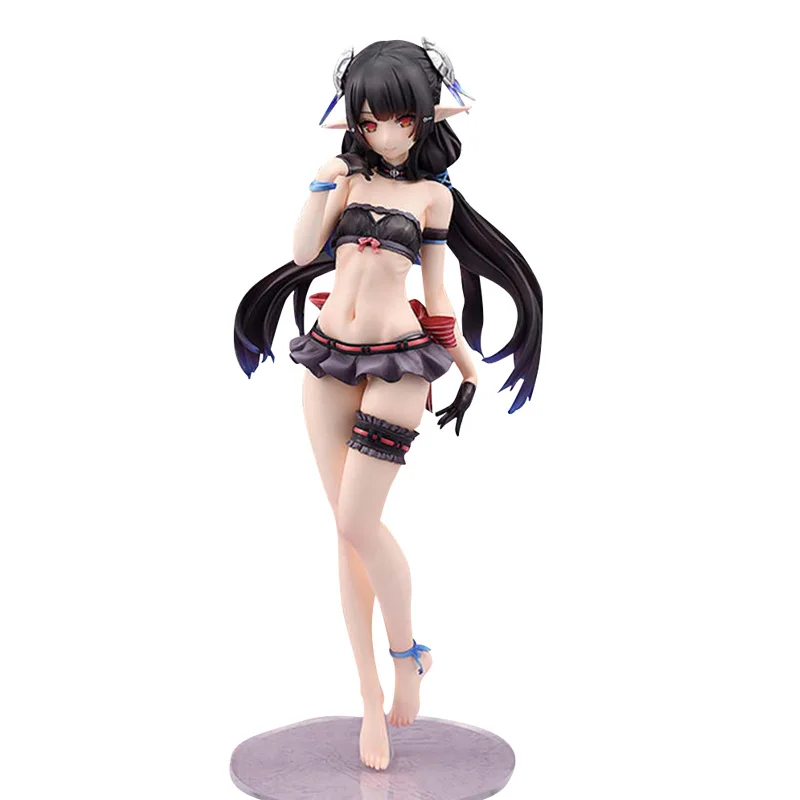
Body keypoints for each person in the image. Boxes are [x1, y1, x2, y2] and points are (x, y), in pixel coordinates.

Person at [234, 38, 543, 771]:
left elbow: (438, 291)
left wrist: (465, 366)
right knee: (345, 536)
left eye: (399, 119)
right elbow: (305, 251)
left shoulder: (434, 197)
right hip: (327, 358)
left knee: (356, 521)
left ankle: (408, 654)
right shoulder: (346, 182)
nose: (385, 134)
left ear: (423, 118)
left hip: (402, 363)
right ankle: (370, 698)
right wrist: (321, 181)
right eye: (369, 121)